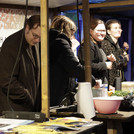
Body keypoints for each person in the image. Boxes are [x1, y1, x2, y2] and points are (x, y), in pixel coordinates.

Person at [49, 15, 97, 106]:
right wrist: (91, 79)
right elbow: (74, 67)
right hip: (58, 90)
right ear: (66, 29)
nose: (72, 35)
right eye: (72, 32)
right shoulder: (61, 42)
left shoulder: (49, 41)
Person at [0, 15, 41, 115]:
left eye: (40, 38)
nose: (37, 40)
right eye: (35, 36)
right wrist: (27, 96)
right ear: (27, 27)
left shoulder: (34, 43)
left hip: (29, 107)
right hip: (14, 109)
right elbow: (6, 81)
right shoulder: (11, 45)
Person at [78, 18, 115, 85]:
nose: (102, 33)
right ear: (91, 31)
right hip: (92, 85)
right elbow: (87, 66)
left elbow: (96, 59)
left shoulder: (98, 43)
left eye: (103, 30)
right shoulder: (88, 45)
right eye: (99, 30)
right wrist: (105, 65)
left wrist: (107, 58)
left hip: (101, 84)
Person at [101, 19, 129, 88]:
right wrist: (125, 57)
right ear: (108, 31)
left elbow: (124, 65)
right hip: (109, 83)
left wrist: (124, 51)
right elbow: (116, 62)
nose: (119, 30)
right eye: (115, 28)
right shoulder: (105, 43)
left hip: (117, 80)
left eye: (119, 28)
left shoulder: (117, 44)